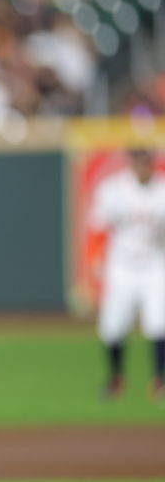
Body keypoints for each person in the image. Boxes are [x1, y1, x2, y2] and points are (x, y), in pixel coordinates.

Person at [89, 148, 165, 403]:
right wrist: (95, 257)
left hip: (155, 264)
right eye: (138, 159)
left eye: (147, 160)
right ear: (131, 162)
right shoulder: (114, 190)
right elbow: (97, 227)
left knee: (159, 323)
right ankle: (116, 378)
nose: (143, 165)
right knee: (112, 327)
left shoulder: (162, 191)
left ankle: (159, 381)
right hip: (121, 266)